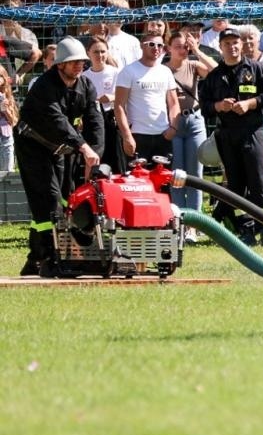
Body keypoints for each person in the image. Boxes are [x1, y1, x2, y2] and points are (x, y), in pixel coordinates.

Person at [15, 36, 103, 276]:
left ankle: (35, 258)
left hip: (59, 150)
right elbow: (58, 122)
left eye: (82, 62)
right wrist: (83, 148)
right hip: (33, 146)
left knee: (64, 200)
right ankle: (52, 259)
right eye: (73, 62)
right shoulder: (44, 86)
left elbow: (95, 122)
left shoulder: (85, 86)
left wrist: (95, 157)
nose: (79, 66)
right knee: (49, 200)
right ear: (60, 64)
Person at [199, 26, 263, 246]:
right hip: (227, 135)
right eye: (227, 44)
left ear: (241, 44)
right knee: (235, 186)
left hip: (253, 132)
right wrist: (219, 106)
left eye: (236, 43)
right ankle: (245, 231)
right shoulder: (215, 76)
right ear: (220, 47)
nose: (232, 47)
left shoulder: (257, 69)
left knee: (259, 183)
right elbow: (204, 106)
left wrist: (250, 103)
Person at [163, 27, 214, 223]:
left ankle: (195, 222)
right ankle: (178, 220)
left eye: (185, 47)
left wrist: (198, 51)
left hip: (194, 121)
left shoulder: (193, 65)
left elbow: (216, 69)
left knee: (195, 174)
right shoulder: (163, 69)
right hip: (173, 123)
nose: (182, 51)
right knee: (176, 174)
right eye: (178, 47)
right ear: (169, 49)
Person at [113, 27, 180, 166]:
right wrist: (127, 136)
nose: (156, 48)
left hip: (163, 135)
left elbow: (173, 103)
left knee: (163, 184)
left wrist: (173, 128)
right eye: (151, 44)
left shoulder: (165, 71)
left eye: (160, 45)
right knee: (137, 184)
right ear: (141, 46)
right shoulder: (128, 71)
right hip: (137, 136)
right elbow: (119, 105)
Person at [82, 36, 124, 174]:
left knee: (115, 158)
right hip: (92, 121)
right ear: (88, 53)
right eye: (96, 52)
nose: (100, 55)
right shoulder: (84, 77)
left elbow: (125, 96)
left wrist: (111, 97)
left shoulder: (116, 73)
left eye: (103, 52)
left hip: (111, 119)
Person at [99, 0, 141, 69]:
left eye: (123, 15)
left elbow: (139, 65)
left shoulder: (132, 41)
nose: (120, 19)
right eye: (116, 15)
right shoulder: (101, 40)